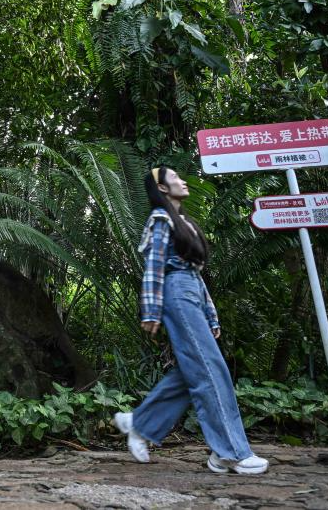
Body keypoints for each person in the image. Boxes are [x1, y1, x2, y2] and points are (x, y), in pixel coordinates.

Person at [112, 166, 268, 475]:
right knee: (211, 369)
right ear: (162, 188)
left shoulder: (185, 222)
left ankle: (139, 422)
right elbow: (155, 267)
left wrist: (211, 314)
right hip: (175, 294)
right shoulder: (160, 220)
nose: (183, 181)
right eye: (175, 178)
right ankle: (231, 452)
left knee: (194, 370)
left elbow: (195, 274)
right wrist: (151, 310)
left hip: (191, 292)